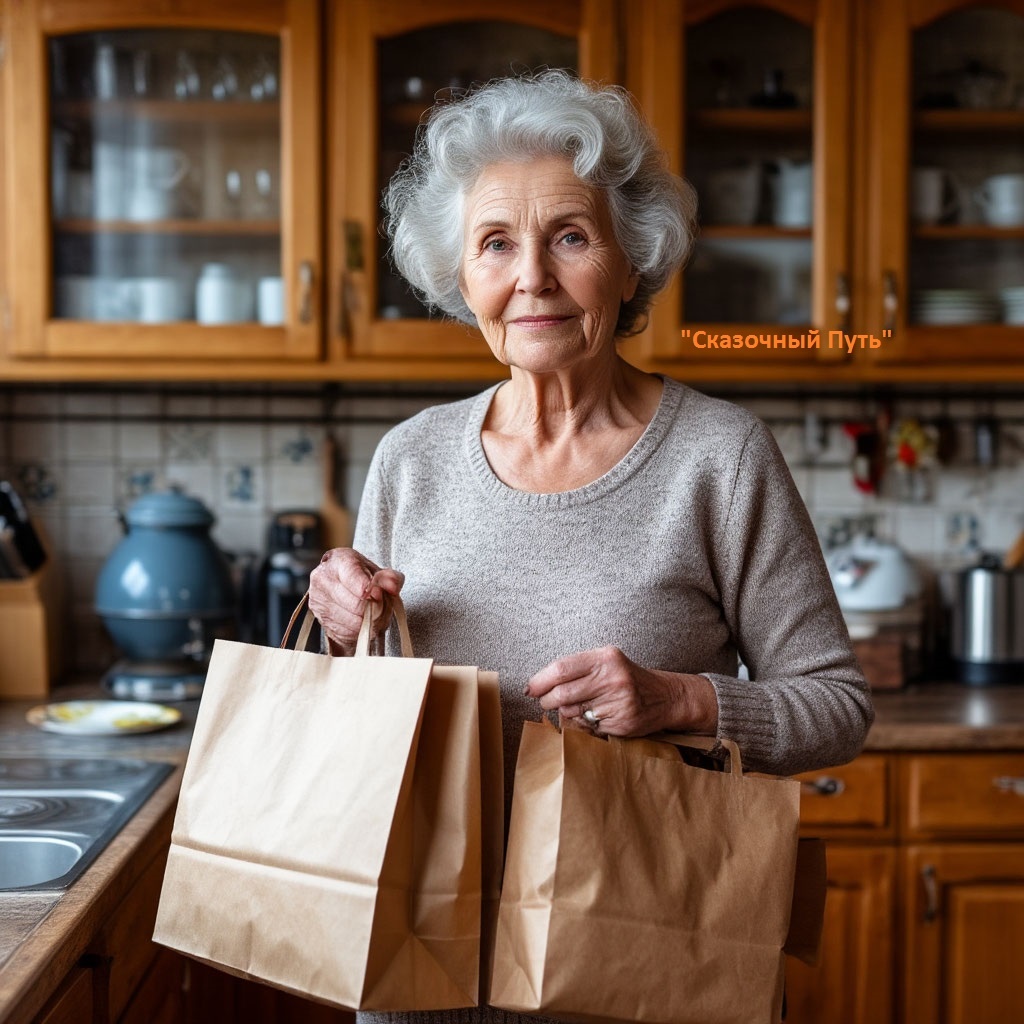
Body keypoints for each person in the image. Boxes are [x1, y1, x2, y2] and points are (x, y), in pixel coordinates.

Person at [309, 71, 872, 1004]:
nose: (532, 276)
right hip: (421, 954)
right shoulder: (409, 460)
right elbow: (367, 723)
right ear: (463, 276)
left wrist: (683, 702)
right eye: (495, 244)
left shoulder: (720, 457)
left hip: (642, 956)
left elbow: (837, 707)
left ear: (629, 261)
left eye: (570, 236)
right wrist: (343, 630)